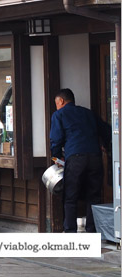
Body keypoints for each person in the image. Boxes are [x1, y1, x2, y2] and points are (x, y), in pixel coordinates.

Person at [49, 88, 112, 233]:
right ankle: (91, 231)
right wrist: (104, 145)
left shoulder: (59, 114)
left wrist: (56, 158)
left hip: (76, 158)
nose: (56, 106)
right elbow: (107, 131)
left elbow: (56, 139)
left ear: (61, 101)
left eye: (56, 103)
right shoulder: (88, 113)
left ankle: (70, 232)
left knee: (70, 196)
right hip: (95, 157)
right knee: (94, 196)